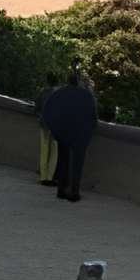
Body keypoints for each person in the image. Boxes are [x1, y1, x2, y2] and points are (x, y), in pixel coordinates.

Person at [37, 69, 98, 203]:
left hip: (63, 133)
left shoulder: (59, 93)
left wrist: (56, 130)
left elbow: (47, 111)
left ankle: (61, 190)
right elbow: (93, 118)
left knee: (63, 161)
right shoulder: (87, 96)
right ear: (78, 82)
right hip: (80, 134)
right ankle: (74, 192)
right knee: (77, 164)